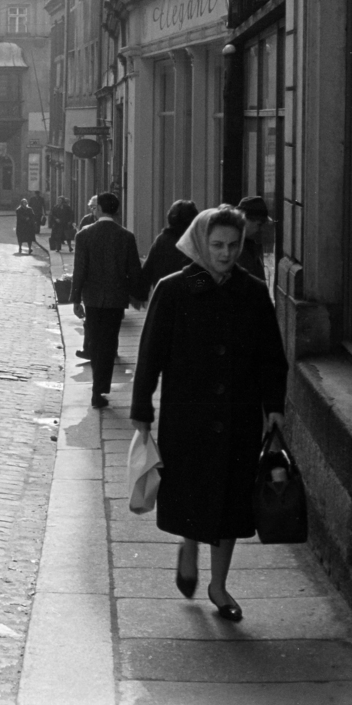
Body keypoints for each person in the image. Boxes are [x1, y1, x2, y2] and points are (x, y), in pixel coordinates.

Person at [130, 206, 288, 624]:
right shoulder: (173, 290)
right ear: (201, 242)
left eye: (233, 245)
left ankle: (219, 587)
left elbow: (272, 356)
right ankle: (189, 543)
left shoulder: (253, 292)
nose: (225, 254)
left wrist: (274, 407)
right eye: (217, 245)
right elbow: (150, 356)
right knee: (195, 493)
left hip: (239, 416)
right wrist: (142, 410)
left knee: (231, 504)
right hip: (188, 415)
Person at [70, 192, 143, 409]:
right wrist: (137, 295)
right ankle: (100, 388)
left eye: (95, 208)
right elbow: (134, 271)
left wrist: (75, 299)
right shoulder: (126, 236)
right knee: (109, 343)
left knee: (95, 342)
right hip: (115, 299)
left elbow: (79, 270)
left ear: (100, 209)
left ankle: (96, 388)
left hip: (92, 299)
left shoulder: (84, 235)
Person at [139, 199, 199, 299]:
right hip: (191, 298)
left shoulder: (161, 240)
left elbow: (147, 272)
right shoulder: (197, 242)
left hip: (164, 297)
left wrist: (141, 293)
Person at [236, 196, 270, 283]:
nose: (261, 229)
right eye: (259, 224)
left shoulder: (248, 244)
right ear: (244, 220)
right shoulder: (236, 248)